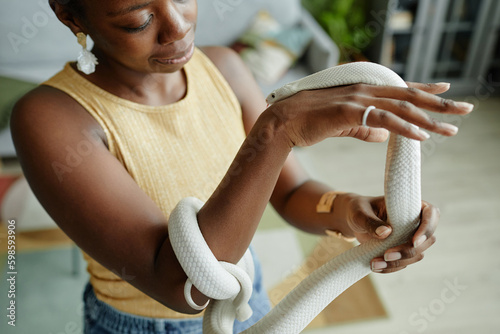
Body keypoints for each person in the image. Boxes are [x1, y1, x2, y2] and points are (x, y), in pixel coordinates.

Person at [10, 0, 473, 333]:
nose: (178, 27)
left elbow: (291, 194)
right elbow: (183, 285)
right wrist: (276, 130)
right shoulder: (50, 119)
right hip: (144, 324)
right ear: (70, 15)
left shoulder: (224, 67)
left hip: (248, 298)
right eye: (139, 19)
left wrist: (349, 210)